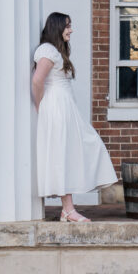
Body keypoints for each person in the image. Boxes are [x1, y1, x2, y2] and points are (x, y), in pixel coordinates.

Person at [32, 12, 117, 222]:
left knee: (84, 146)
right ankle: (68, 209)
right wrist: (40, 106)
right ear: (57, 27)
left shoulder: (57, 51)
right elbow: (37, 81)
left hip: (66, 108)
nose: (70, 30)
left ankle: (69, 207)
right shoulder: (47, 50)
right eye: (67, 26)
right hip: (56, 108)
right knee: (62, 155)